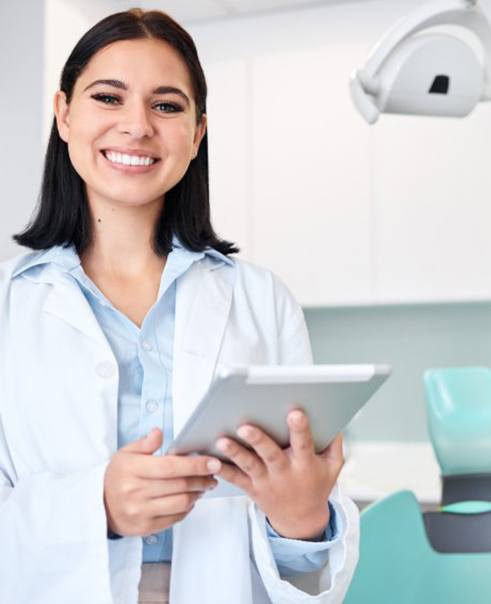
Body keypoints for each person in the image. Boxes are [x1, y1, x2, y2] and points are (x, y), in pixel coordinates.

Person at [0, 8, 359, 604]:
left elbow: (310, 549)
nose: (136, 126)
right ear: (64, 114)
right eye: (108, 98)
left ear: (196, 134)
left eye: (166, 106)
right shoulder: (10, 306)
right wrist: (97, 508)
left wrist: (302, 520)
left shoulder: (261, 300)